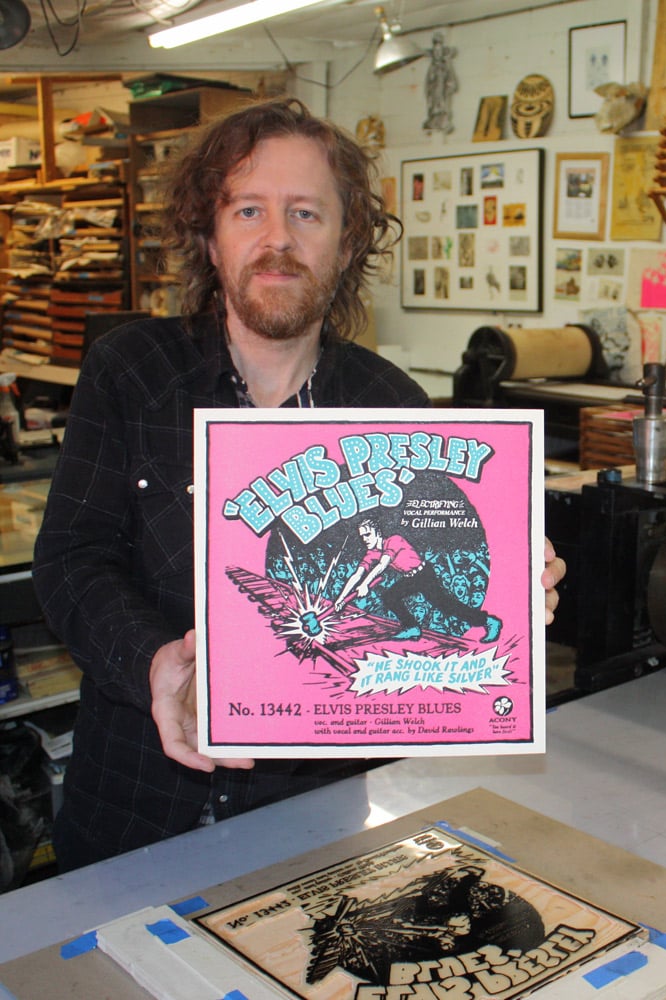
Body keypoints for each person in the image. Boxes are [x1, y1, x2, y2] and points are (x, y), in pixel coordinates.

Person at [32, 98, 565, 872]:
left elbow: (426, 580)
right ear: (210, 238)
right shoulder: (131, 372)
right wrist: (154, 662)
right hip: (133, 807)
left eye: (306, 214)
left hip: (314, 819)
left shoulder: (393, 406)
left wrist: (514, 592)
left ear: (346, 245)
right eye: (248, 210)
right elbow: (71, 560)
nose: (277, 239)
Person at [334, 518, 502, 642]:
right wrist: (341, 599)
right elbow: (356, 575)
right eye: (362, 536)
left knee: (445, 605)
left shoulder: (394, 540)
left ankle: (489, 621)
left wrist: (365, 585)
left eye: (368, 534)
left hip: (424, 575)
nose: (365, 539)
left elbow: (382, 565)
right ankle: (412, 627)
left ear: (378, 533)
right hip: (410, 578)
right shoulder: (372, 553)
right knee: (390, 597)